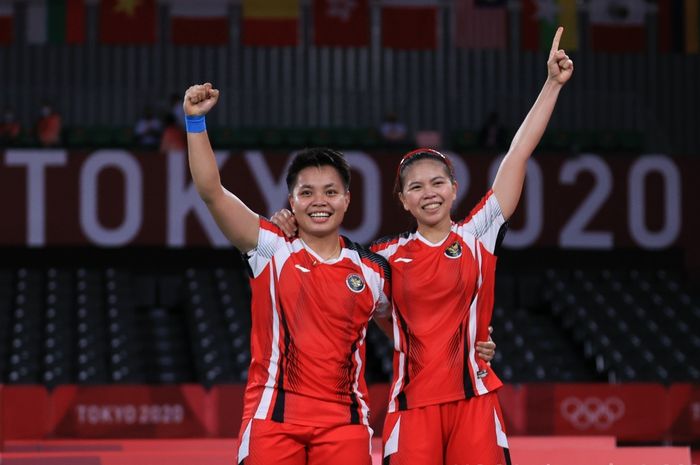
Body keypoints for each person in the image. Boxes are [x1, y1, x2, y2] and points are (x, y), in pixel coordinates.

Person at [272, 27, 573, 465]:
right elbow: (360, 300)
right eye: (416, 186)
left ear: (454, 189)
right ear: (403, 200)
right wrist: (290, 225)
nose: (428, 192)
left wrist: (550, 85)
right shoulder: (382, 258)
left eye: (437, 183)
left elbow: (518, 153)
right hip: (410, 409)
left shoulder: (477, 235)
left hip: (475, 400)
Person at [185, 83, 392, 465]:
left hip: (344, 424)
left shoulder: (374, 270)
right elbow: (211, 191)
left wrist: (476, 345)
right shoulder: (271, 247)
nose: (319, 202)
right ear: (291, 202)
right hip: (273, 420)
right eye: (307, 193)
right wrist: (195, 122)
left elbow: (410, 332)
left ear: (347, 199)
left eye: (330, 192)